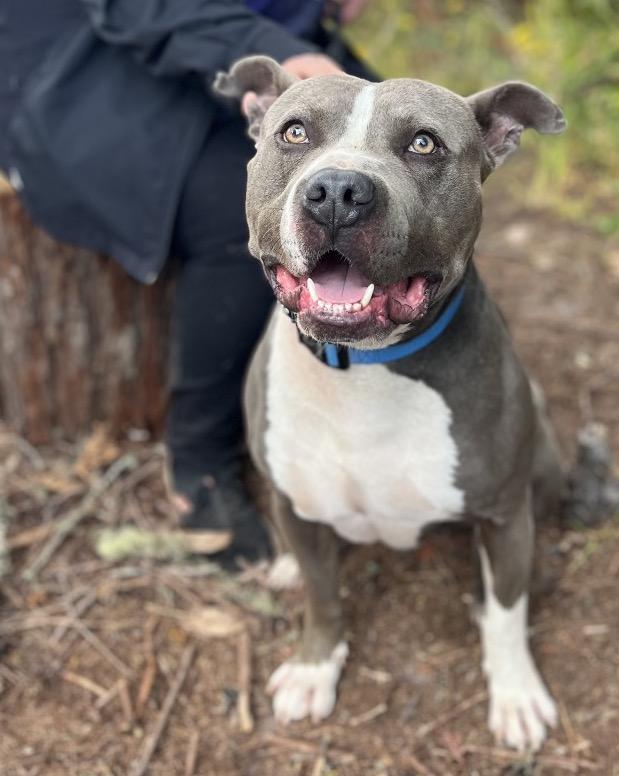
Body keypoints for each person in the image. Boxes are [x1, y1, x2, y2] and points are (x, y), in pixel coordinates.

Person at [0, 0, 375, 566]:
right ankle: (200, 458)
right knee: (242, 213)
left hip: (246, 36)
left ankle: (376, 398)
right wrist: (269, 49)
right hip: (78, 56)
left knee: (401, 156)